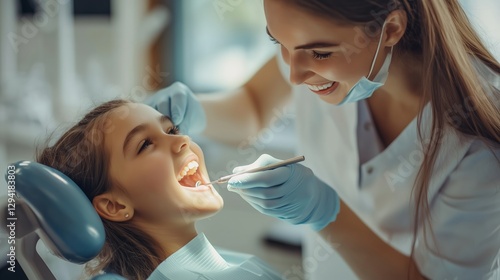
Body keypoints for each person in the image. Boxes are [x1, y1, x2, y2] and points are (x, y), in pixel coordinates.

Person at [146, 0, 500, 279]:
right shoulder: (305, 45)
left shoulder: (478, 138)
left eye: (320, 54)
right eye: (278, 42)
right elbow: (254, 105)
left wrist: (326, 212)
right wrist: (196, 110)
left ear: (390, 28)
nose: (295, 75)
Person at [36, 99, 283, 280]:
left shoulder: (227, 264)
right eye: (145, 144)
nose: (182, 140)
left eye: (171, 130)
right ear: (115, 205)